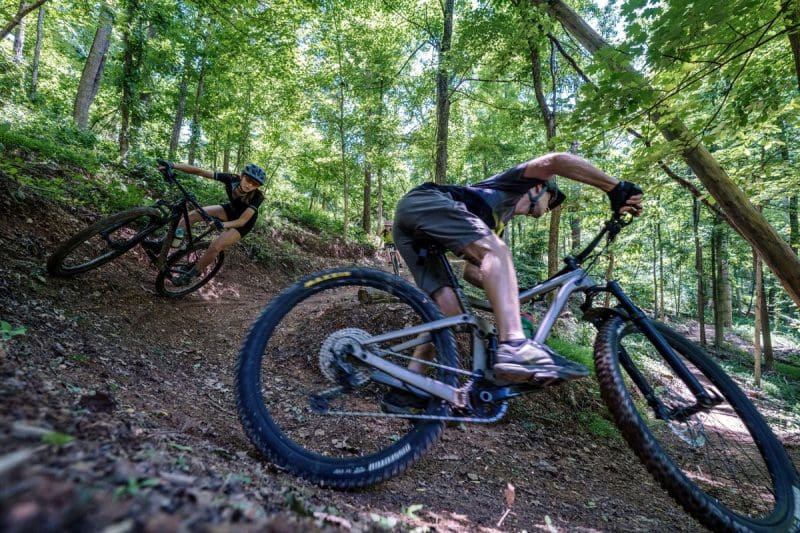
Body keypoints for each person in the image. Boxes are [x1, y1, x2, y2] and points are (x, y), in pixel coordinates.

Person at [383, 152, 643, 414]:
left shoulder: (496, 227)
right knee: (497, 251)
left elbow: (473, 274)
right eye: (551, 201)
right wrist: (614, 187)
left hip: (412, 230)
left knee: (450, 316)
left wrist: (512, 294)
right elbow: (555, 161)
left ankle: (408, 387)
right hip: (424, 202)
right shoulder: (509, 185)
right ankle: (516, 347)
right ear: (539, 188)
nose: (549, 210)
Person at [157, 161, 267, 286]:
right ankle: (164, 243)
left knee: (216, 246)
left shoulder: (258, 197)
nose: (249, 185)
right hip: (230, 210)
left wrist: (222, 225)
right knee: (194, 214)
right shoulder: (231, 179)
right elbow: (201, 171)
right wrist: (173, 165)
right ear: (242, 176)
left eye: (255, 184)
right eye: (248, 179)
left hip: (242, 224)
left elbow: (242, 221)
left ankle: (191, 274)